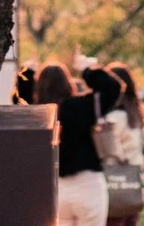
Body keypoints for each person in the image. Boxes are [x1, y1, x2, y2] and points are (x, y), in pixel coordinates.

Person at [32, 62, 119, 226]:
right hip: (88, 184)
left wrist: (28, 74)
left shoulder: (36, 115)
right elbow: (113, 87)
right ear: (67, 83)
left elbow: (18, 98)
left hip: (54, 189)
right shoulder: (81, 107)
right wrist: (87, 70)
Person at [94, 62, 144, 226]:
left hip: (113, 179)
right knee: (132, 220)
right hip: (136, 177)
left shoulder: (112, 119)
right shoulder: (139, 115)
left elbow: (109, 150)